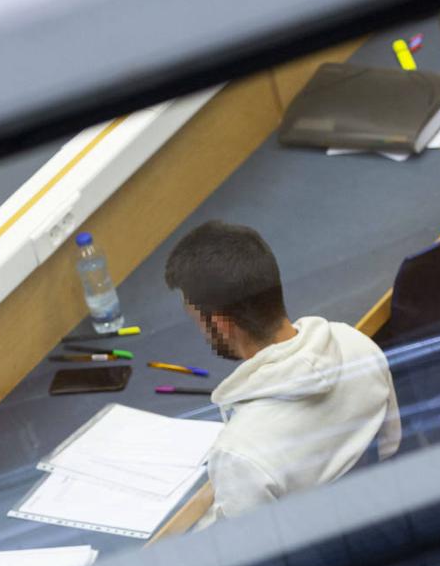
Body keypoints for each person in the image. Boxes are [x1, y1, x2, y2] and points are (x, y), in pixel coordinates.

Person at [164, 220, 400, 528]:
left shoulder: (240, 452)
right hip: (376, 527)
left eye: (196, 319)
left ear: (220, 324)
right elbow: (390, 446)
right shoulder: (356, 345)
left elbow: (251, 557)